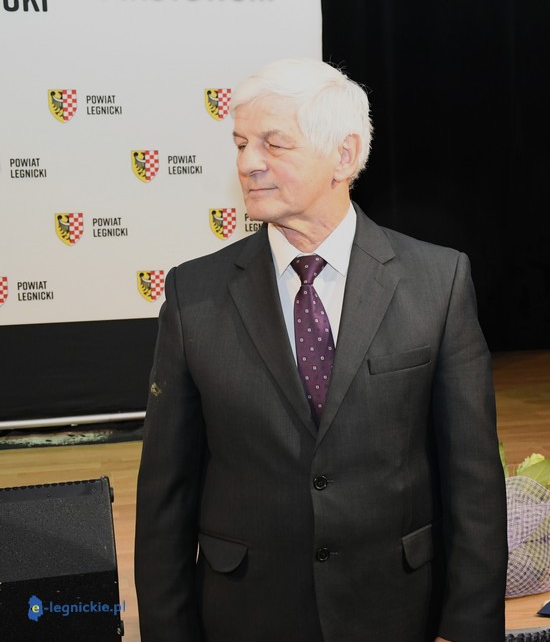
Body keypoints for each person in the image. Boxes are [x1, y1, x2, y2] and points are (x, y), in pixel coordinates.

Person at [134, 58, 507, 642]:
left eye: (274, 143)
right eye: (241, 144)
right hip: (246, 616)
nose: (248, 163)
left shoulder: (438, 282)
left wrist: (468, 629)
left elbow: (475, 484)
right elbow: (165, 498)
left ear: (344, 155)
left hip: (397, 611)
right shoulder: (192, 295)